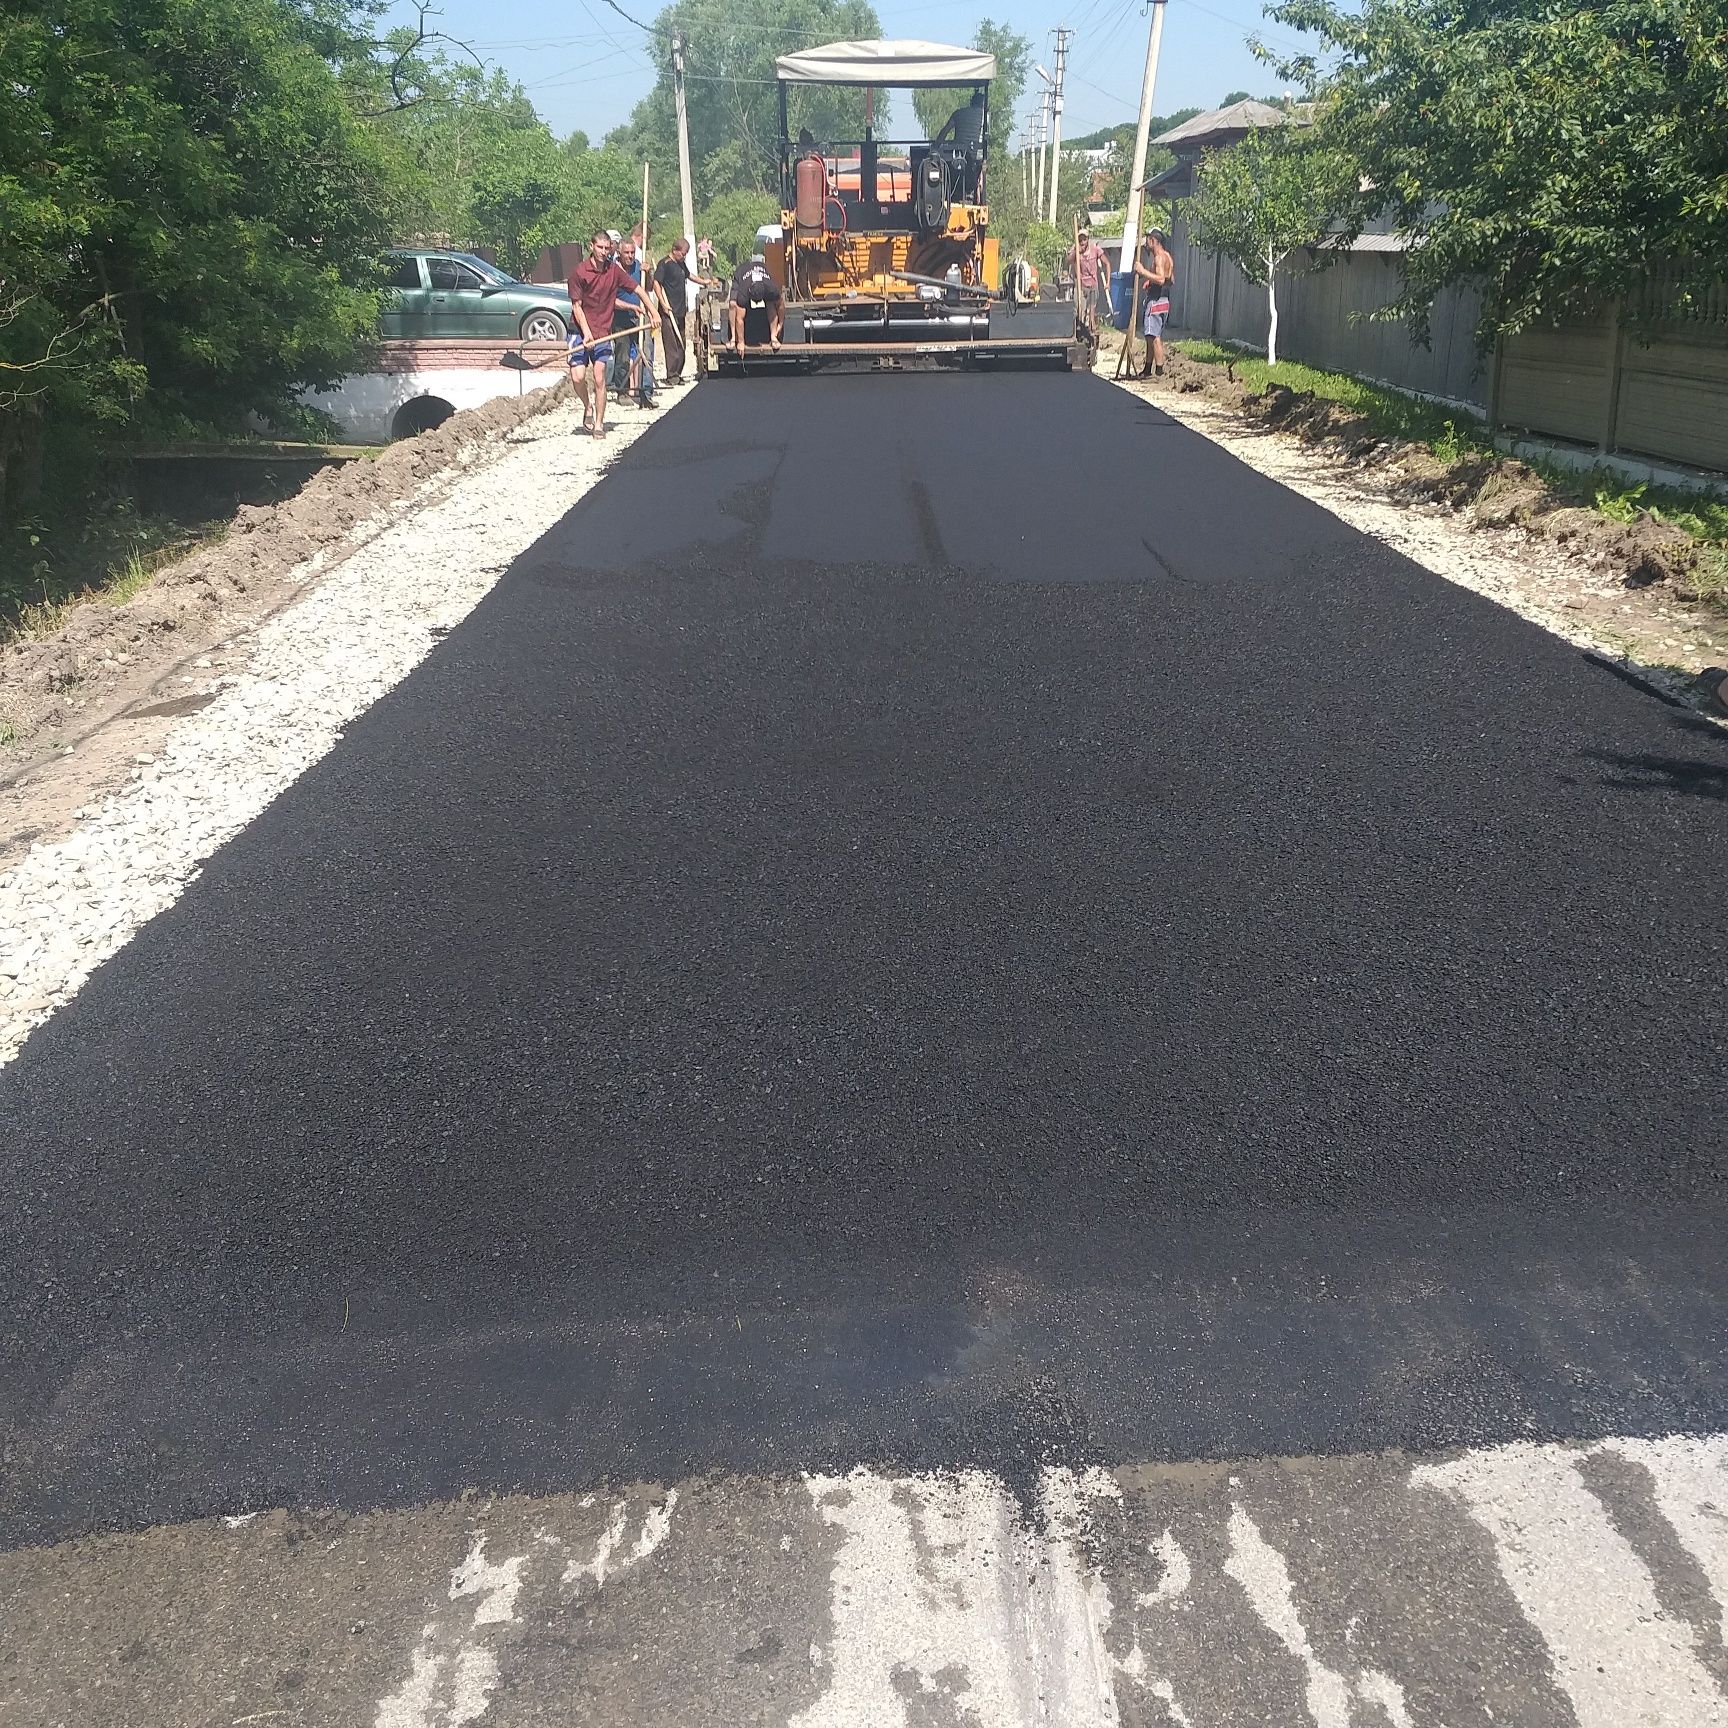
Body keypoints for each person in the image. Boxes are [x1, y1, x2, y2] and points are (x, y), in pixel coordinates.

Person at [565, 228, 640, 436]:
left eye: (607, 248)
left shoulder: (613, 270)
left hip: (603, 331)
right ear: (592, 246)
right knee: (578, 377)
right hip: (579, 330)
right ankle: (587, 407)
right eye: (600, 247)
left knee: (599, 377)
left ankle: (599, 424)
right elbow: (577, 306)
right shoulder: (579, 272)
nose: (603, 252)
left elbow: (637, 288)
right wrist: (587, 334)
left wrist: (653, 312)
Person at [654, 237, 717, 385]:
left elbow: (689, 275)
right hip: (668, 312)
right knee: (671, 345)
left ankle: (678, 373)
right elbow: (657, 283)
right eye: (683, 253)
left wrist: (704, 281)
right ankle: (671, 376)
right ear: (674, 250)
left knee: (682, 343)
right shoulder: (665, 264)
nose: (684, 256)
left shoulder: (681, 264)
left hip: (681, 310)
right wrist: (663, 303)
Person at [609, 236, 655, 410]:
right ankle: (622, 391)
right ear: (619, 253)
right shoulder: (613, 270)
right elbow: (610, 299)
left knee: (646, 354)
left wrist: (648, 273)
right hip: (621, 318)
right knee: (622, 355)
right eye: (626, 253)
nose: (630, 256)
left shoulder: (638, 267)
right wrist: (630, 306)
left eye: (632, 252)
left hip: (640, 318)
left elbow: (648, 288)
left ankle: (646, 393)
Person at [1134, 227, 1175, 378]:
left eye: (1148, 239)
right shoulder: (1168, 257)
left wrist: (1143, 272)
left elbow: (1161, 278)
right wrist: (1149, 283)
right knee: (1150, 335)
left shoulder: (1158, 258)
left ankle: (1159, 371)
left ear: (1153, 240)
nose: (1146, 243)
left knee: (1154, 336)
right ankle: (1148, 368)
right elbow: (1170, 280)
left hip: (1156, 302)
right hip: (1164, 300)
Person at [727, 251, 784, 351]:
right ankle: (733, 338)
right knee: (732, 304)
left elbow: (780, 305)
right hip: (741, 273)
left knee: (771, 303)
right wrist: (741, 342)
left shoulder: (770, 287)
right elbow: (739, 319)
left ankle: (773, 337)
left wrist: (781, 324)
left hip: (761, 269)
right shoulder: (744, 291)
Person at [1067, 225, 1110, 331]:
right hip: (1082, 286)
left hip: (1093, 284)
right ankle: (1079, 329)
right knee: (1080, 310)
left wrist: (1108, 282)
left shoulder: (1095, 249)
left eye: (1084, 239)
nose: (1082, 242)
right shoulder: (1076, 251)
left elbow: (1107, 264)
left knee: (1092, 311)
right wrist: (1076, 251)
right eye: (1080, 240)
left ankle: (1091, 330)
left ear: (1088, 239)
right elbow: (1069, 260)